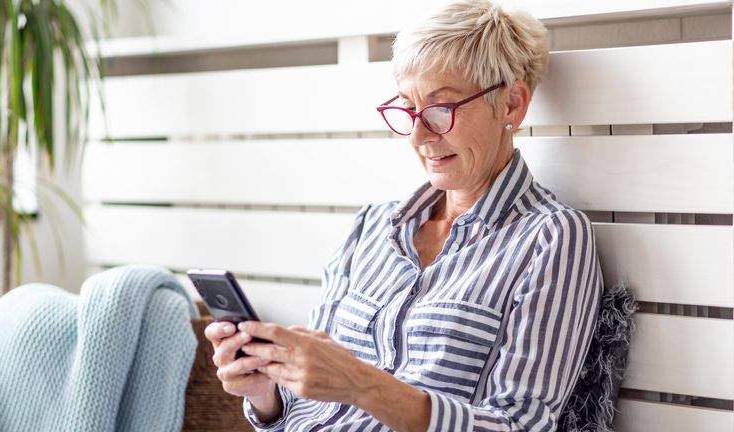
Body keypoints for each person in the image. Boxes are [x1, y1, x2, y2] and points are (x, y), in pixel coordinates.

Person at [204, 1, 604, 430]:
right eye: (408, 109)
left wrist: (361, 385)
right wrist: (266, 393)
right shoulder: (371, 227)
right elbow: (308, 404)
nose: (418, 134)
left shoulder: (550, 236)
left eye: (440, 109)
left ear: (510, 105)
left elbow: (520, 424)